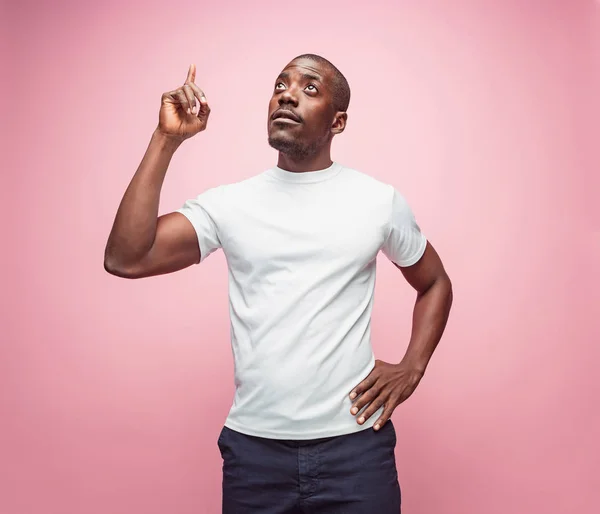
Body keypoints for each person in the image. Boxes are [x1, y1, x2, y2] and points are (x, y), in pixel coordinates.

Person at [104, 54, 453, 514]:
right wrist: (166, 139)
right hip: (255, 456)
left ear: (338, 121)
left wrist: (412, 367)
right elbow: (126, 257)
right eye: (280, 84)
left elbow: (435, 283)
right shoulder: (231, 204)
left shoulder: (377, 201)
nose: (287, 93)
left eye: (310, 88)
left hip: (356, 453)